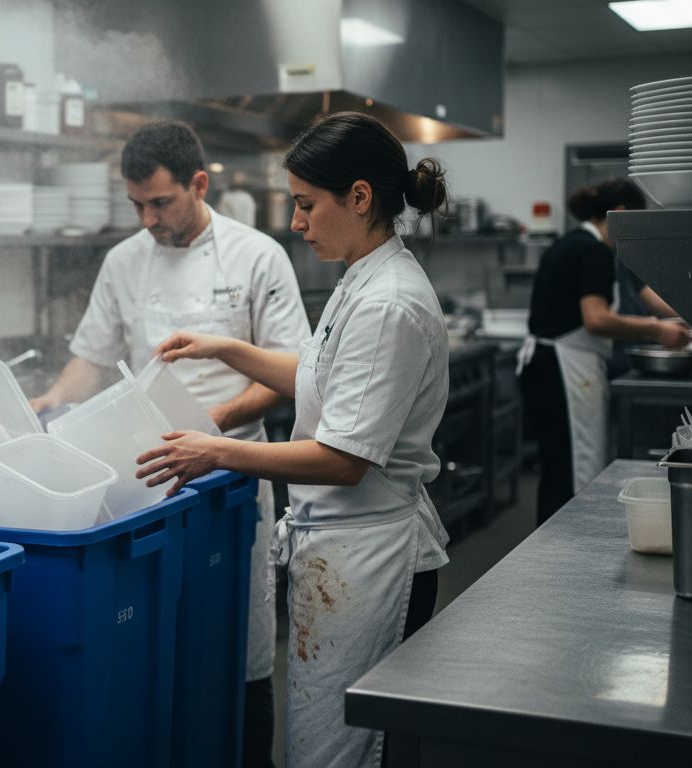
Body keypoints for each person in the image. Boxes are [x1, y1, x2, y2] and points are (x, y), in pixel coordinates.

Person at [133, 111, 451, 768]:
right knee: (316, 741)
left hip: (372, 562)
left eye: (307, 204)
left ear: (359, 197)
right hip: (339, 552)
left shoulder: (389, 300)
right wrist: (227, 347)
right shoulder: (360, 275)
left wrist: (214, 449)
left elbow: (342, 461)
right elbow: (315, 373)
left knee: (343, 754)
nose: (297, 221)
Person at [29, 119, 310, 768]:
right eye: (136, 205)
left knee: (237, 642)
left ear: (199, 184)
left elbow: (291, 370)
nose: (148, 218)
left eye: (161, 202)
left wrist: (210, 425)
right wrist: (52, 399)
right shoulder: (124, 261)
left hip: (231, 477)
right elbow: (90, 360)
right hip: (148, 480)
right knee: (151, 635)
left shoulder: (256, 255)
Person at [518, 178, 689, 525]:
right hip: (563, 370)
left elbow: (634, 299)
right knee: (568, 471)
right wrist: (656, 329)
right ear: (620, 214)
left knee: (557, 469)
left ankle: (553, 550)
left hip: (551, 367)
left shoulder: (578, 243)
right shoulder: (592, 251)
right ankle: (561, 552)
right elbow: (596, 319)